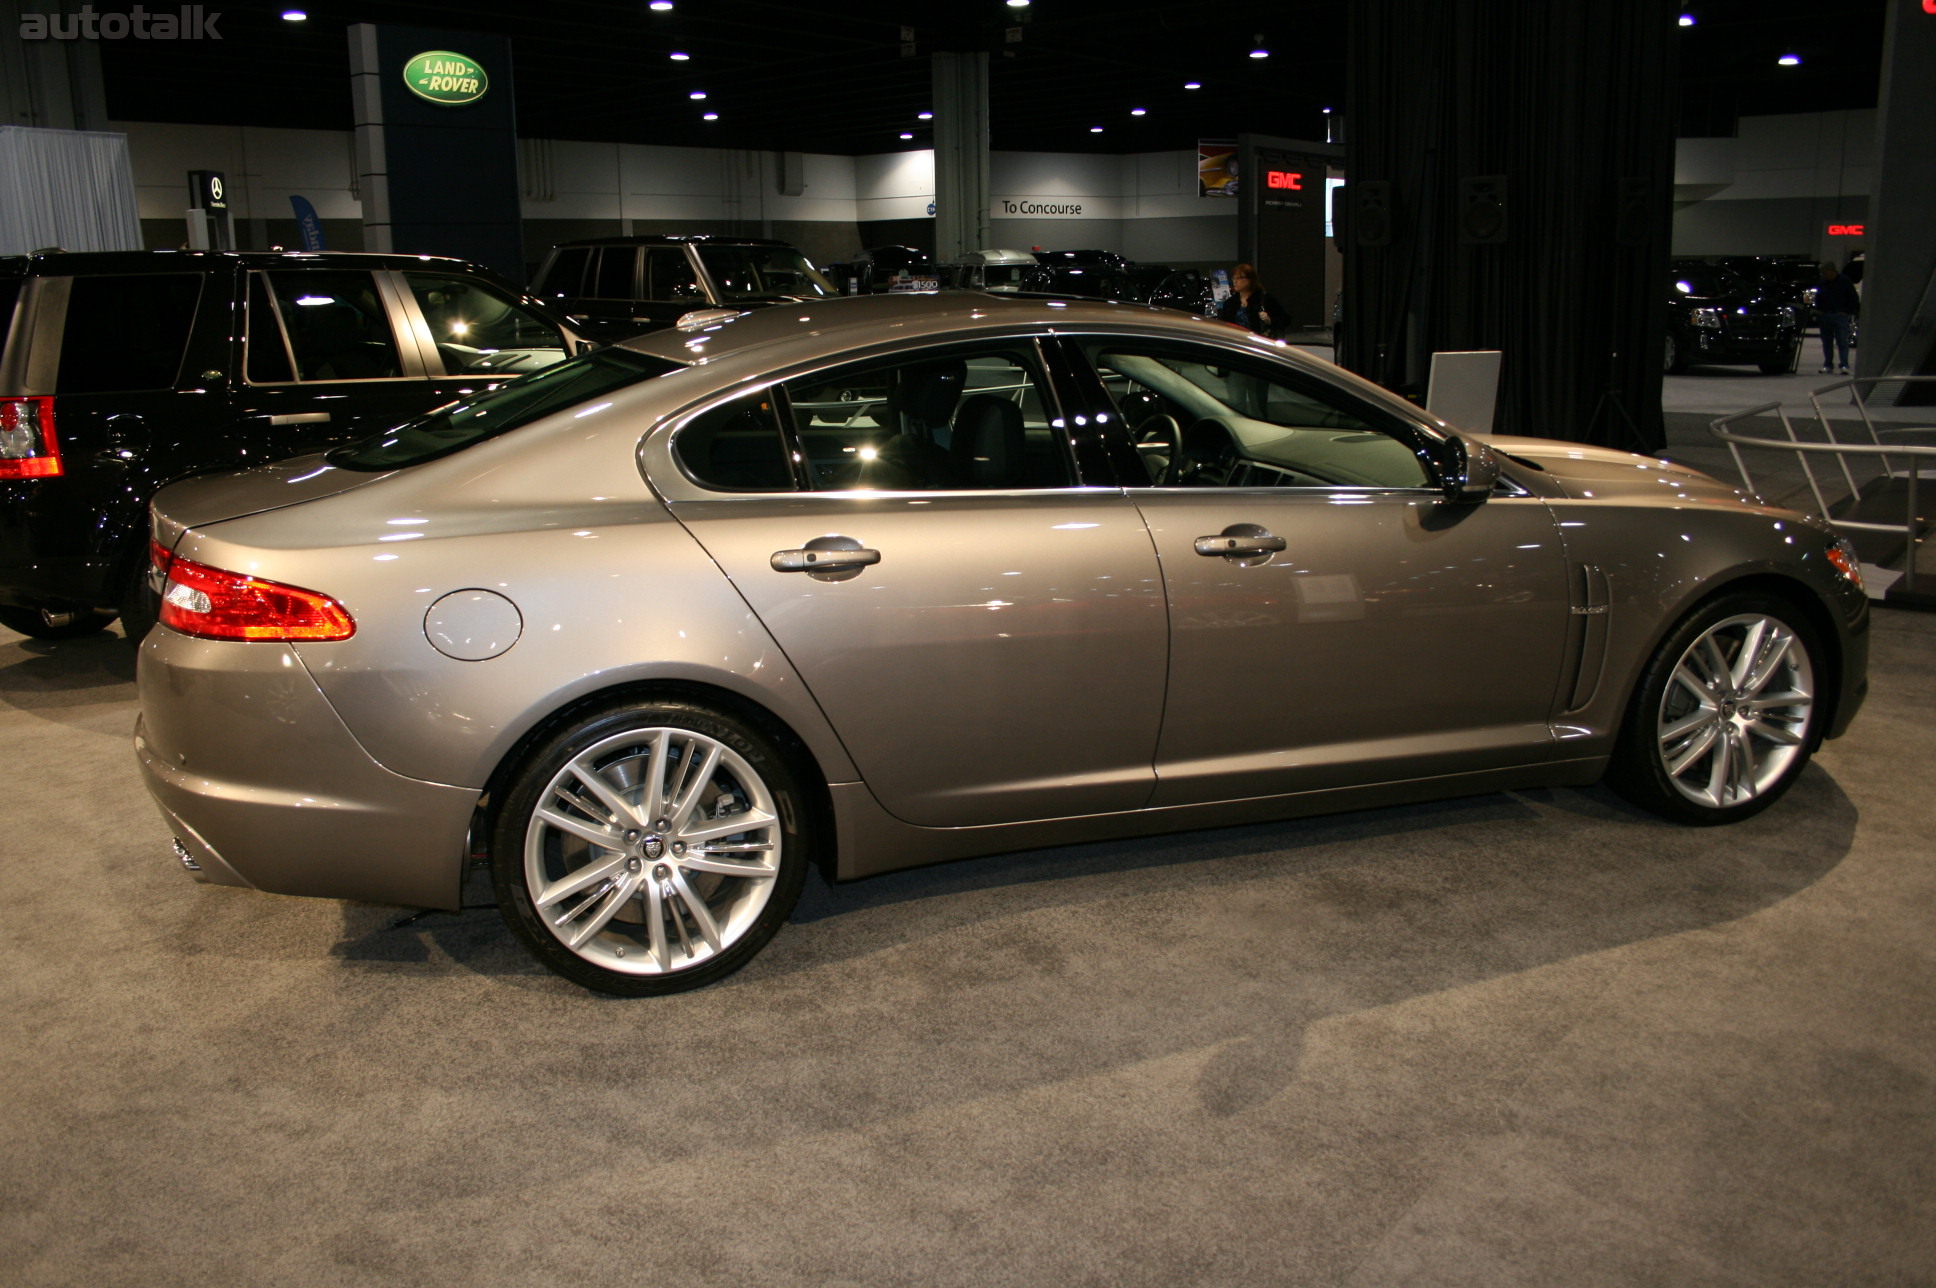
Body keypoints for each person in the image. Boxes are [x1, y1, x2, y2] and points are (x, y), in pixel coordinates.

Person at [1217, 263, 1289, 339]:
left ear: (1250, 280)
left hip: (1259, 342)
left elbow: (1285, 319)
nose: (1235, 281)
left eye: (1239, 278)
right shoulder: (1230, 303)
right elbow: (1224, 324)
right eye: (1234, 278)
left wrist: (1270, 320)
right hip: (1236, 342)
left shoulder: (1264, 299)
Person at [1814, 260, 1859, 376]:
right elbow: (1818, 298)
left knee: (1842, 342)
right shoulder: (1822, 283)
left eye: (1824, 273)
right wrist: (1819, 312)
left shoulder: (1845, 281)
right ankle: (1828, 364)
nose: (1823, 275)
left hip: (1840, 316)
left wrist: (1847, 312)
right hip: (1825, 316)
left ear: (1831, 271)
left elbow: (1853, 298)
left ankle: (1844, 365)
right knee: (1827, 342)